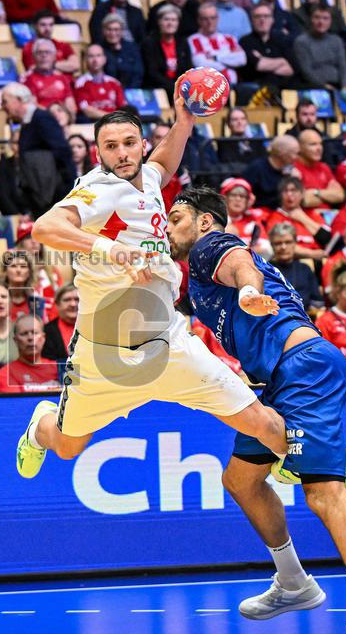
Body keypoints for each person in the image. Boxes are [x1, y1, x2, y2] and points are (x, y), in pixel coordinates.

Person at [165, 185, 346, 634]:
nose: (169, 227)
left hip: (304, 369)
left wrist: (249, 292)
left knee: (324, 494)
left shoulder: (210, 247)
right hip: (282, 377)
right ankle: (294, 581)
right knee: (241, 479)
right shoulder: (196, 280)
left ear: (204, 222)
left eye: (176, 218)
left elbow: (243, 266)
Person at [15, 107, 288, 482]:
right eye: (111, 146)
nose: (122, 153)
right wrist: (111, 249)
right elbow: (45, 228)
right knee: (66, 446)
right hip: (105, 355)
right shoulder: (99, 190)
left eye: (129, 143)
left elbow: (162, 164)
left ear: (142, 145)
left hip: (169, 342)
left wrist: (184, 122)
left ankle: (317, 469)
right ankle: (38, 428)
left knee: (263, 422)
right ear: (98, 153)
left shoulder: (147, 179)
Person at [1, 82, 76, 214]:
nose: (2, 107)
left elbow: (62, 152)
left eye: (5, 102)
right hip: (41, 199)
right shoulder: (28, 122)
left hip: (54, 198)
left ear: (18, 100)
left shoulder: (42, 118)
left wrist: (67, 191)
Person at [237, 2, 296, 94]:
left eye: (266, 16)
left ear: (272, 20)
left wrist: (263, 61)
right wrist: (282, 61)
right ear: (252, 20)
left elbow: (291, 69)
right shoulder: (245, 41)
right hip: (254, 89)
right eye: (258, 16)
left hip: (282, 88)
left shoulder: (282, 40)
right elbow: (259, 66)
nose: (262, 20)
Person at [265, 176, 329, 259]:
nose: (289, 194)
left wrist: (303, 218)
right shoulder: (275, 217)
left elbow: (327, 238)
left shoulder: (312, 214)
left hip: (320, 259)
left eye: (294, 190)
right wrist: (312, 254)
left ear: (302, 194)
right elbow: (281, 246)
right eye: (285, 191)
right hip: (295, 260)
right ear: (280, 195)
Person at [0, 315, 61, 392]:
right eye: (24, 334)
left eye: (35, 333)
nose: (30, 338)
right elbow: (17, 400)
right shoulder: (6, 373)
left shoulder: (59, 368)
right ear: (16, 340)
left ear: (43, 338)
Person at [268, 222, 323, 312]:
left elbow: (317, 301)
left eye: (288, 242)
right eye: (278, 243)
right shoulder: (265, 270)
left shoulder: (305, 269)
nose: (283, 247)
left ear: (295, 243)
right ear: (271, 245)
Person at [293, 4, 346, 90]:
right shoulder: (301, 41)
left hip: (338, 85)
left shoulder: (337, 40)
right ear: (311, 19)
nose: (321, 22)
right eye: (317, 18)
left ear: (330, 21)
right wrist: (324, 86)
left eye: (325, 18)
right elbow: (306, 71)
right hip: (314, 86)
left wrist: (345, 86)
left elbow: (343, 67)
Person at [188, 3, 247, 85]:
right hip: (208, 86)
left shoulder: (229, 38)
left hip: (233, 85)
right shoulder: (194, 40)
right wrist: (229, 61)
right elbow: (200, 64)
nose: (210, 22)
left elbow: (242, 59)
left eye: (213, 18)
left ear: (218, 18)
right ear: (199, 20)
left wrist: (216, 57)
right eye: (205, 19)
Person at [142, 4, 192, 95]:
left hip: (180, 89)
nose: (170, 23)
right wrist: (174, 88)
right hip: (158, 90)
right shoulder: (149, 43)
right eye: (166, 19)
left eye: (174, 20)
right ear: (159, 22)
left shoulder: (183, 42)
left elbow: (188, 68)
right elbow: (152, 73)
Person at [242, 135, 299, 212]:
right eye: (295, 153)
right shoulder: (256, 169)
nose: (297, 157)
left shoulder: (290, 171)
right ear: (282, 154)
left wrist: (295, 181)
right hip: (259, 212)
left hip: (282, 213)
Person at [220, 178, 272, 260]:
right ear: (225, 197)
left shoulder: (253, 220)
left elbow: (267, 249)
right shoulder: (218, 220)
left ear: (248, 200)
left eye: (242, 196)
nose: (238, 199)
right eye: (233, 195)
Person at [22, 38, 77, 114]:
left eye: (47, 52)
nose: (43, 55)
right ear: (34, 57)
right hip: (42, 118)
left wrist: (65, 116)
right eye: (39, 52)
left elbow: (71, 106)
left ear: (54, 57)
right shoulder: (28, 79)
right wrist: (53, 115)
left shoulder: (62, 78)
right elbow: (32, 106)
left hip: (63, 117)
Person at [295, 129, 345, 212]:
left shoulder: (324, 167)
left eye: (320, 144)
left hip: (328, 215)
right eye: (313, 144)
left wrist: (316, 193)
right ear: (300, 147)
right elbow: (305, 201)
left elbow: (340, 196)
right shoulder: (294, 169)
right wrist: (328, 194)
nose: (319, 148)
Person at [74, 45, 126, 122]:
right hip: (94, 123)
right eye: (91, 56)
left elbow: (123, 107)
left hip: (116, 123)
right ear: (86, 60)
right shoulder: (81, 83)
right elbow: (86, 110)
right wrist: (111, 118)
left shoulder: (114, 83)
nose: (95, 60)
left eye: (98, 55)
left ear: (104, 59)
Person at [22, 9, 79, 74]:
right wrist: (63, 66)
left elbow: (75, 66)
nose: (47, 29)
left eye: (51, 25)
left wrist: (51, 64)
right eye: (43, 25)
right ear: (35, 26)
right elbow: (33, 69)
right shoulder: (29, 47)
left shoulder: (63, 45)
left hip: (66, 80)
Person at [101, 13, 143, 88]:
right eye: (109, 29)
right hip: (107, 90)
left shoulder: (132, 48)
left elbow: (138, 73)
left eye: (116, 30)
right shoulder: (99, 49)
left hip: (130, 90)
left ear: (122, 31)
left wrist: (130, 91)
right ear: (103, 31)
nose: (113, 33)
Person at [41, 283, 78, 362]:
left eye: (77, 299)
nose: (73, 304)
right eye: (67, 300)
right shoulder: (46, 332)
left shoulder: (95, 328)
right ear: (57, 304)